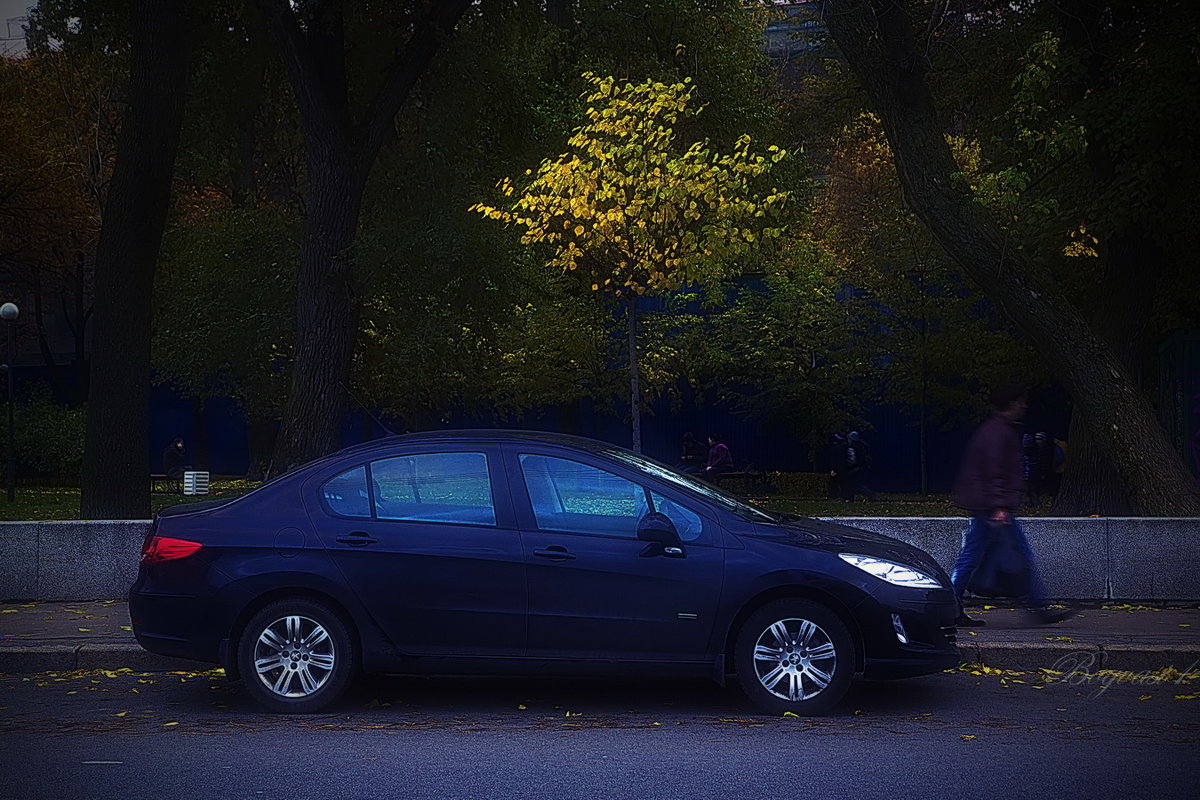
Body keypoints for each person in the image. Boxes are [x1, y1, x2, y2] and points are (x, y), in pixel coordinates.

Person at [950, 385, 1073, 627]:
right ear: (1010, 403)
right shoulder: (998, 433)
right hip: (994, 506)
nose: (1024, 406)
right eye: (1020, 402)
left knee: (975, 555)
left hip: (990, 505)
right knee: (1009, 554)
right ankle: (1037, 608)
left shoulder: (994, 430)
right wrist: (999, 506)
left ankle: (952, 606)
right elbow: (995, 471)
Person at [847, 431, 877, 501]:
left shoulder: (853, 447)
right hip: (861, 468)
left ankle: (869, 494)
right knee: (856, 484)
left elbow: (852, 460)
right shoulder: (862, 446)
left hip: (855, 468)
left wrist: (848, 466)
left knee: (854, 484)